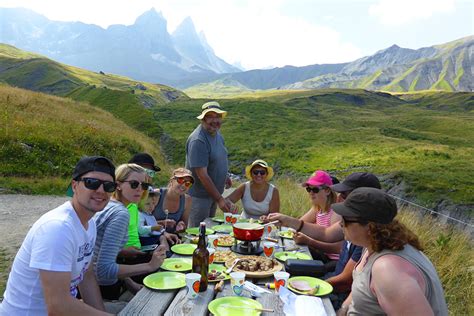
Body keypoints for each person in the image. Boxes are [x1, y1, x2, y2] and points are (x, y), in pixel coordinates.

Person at [0, 156, 116, 315]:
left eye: (109, 186)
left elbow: (87, 277)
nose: (101, 190)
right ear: (74, 186)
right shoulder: (58, 229)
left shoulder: (90, 225)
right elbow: (58, 306)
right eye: (91, 183)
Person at [334, 188, 448, 316]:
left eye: (346, 219)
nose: (340, 223)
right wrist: (343, 309)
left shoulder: (388, 270)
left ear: (369, 226)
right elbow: (361, 289)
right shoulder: (373, 247)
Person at [92, 163, 167, 300]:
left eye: (144, 185)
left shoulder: (109, 204)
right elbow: (103, 270)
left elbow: (98, 248)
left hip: (90, 280)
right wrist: (149, 266)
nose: (140, 190)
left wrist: (123, 253)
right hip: (98, 287)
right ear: (118, 185)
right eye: (134, 184)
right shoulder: (121, 214)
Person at [324, 172, 381, 309]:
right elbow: (356, 283)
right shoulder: (369, 243)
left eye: (344, 195)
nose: (341, 224)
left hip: (338, 293)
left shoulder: (388, 264)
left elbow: (346, 281)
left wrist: (315, 286)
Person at [265, 170, 343, 268]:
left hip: (334, 261)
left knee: (292, 265)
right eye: (308, 189)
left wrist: (310, 242)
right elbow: (299, 224)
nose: (311, 193)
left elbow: (338, 248)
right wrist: (278, 220)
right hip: (321, 254)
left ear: (327, 190)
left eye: (315, 190)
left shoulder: (335, 211)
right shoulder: (317, 208)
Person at [185, 101, 233, 227]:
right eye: (210, 116)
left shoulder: (217, 134)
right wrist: (219, 199)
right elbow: (202, 175)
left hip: (212, 195)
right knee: (198, 234)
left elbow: (218, 158)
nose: (214, 120)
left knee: (209, 231)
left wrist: (225, 176)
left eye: (217, 116)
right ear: (203, 119)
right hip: (199, 199)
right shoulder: (198, 140)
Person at [153, 168, 194, 233]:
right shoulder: (156, 195)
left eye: (188, 183)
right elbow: (141, 224)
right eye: (180, 180)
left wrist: (181, 225)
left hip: (174, 238)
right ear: (172, 181)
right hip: (152, 237)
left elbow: (184, 226)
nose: (183, 185)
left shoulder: (187, 200)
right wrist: (162, 223)